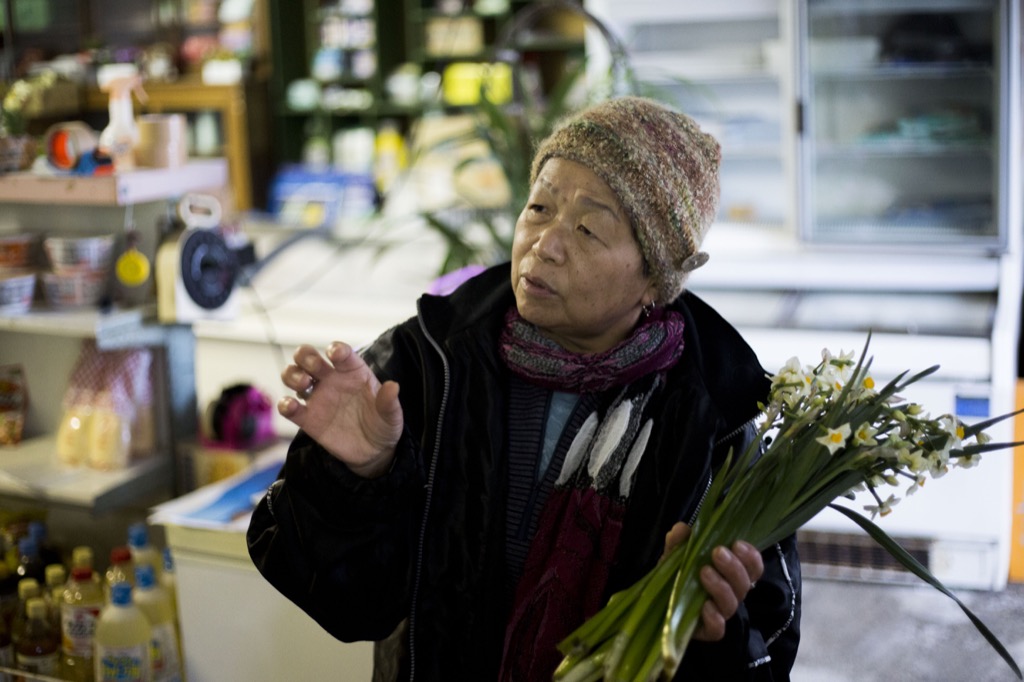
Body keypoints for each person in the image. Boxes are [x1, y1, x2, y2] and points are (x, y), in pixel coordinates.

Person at [247, 96, 801, 681]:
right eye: (539, 208)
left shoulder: (720, 417)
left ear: (656, 279)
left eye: (588, 228)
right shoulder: (428, 361)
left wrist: (712, 635)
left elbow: (767, 652)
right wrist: (359, 479)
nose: (545, 243)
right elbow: (349, 606)